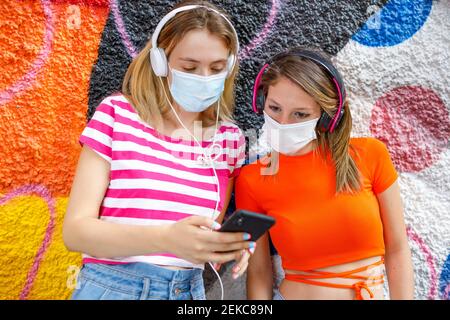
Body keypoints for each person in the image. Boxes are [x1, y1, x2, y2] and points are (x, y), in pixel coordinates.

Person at [63, 0, 254, 300]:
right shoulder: (117, 114)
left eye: (217, 68)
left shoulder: (229, 139)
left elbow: (205, 232)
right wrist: (165, 238)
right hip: (114, 288)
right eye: (190, 67)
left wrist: (227, 244)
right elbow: (75, 232)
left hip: (188, 292)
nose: (204, 78)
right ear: (160, 62)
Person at [235, 48, 414, 300]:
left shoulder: (369, 155)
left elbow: (397, 248)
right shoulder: (253, 178)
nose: (283, 122)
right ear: (260, 101)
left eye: (300, 114)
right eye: (275, 108)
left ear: (327, 117)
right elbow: (260, 271)